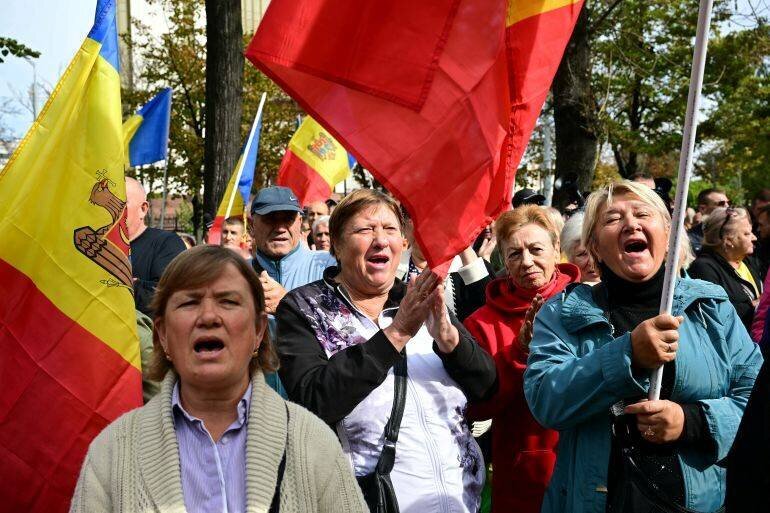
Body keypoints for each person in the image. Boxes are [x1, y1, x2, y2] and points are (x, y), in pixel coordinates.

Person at [523, 180, 762, 513]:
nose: (630, 224)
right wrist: (628, 356)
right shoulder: (563, 313)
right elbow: (545, 400)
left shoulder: (712, 307)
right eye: (612, 218)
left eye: (642, 214)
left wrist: (692, 421)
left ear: (668, 235)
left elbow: (755, 399)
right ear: (594, 247)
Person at [70, 246, 367, 513]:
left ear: (258, 331)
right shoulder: (113, 450)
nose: (209, 317)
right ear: (162, 334)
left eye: (228, 302)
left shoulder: (311, 441)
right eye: (189, 303)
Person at [275, 189, 497, 513]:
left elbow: (487, 388)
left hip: (461, 501)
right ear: (336, 245)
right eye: (365, 230)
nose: (380, 240)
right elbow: (314, 402)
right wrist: (397, 333)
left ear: (403, 242)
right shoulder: (303, 308)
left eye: (390, 229)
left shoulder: (419, 297)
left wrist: (450, 341)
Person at [463, 206, 581, 513]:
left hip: (587, 469)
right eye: (515, 253)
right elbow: (477, 406)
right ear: (503, 260)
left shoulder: (589, 304)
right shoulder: (482, 323)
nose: (527, 261)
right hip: (524, 481)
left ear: (556, 248)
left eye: (536, 249)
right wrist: (520, 352)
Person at [249, 186, 336, 315]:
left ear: (299, 222)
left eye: (288, 219)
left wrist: (289, 305)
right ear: (252, 226)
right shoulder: (237, 273)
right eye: (270, 219)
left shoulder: (329, 266)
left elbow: (349, 325)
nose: (280, 228)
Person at [398, 208, 493, 322]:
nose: (424, 225)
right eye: (415, 216)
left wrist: (463, 246)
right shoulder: (390, 268)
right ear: (403, 224)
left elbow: (491, 312)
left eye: (434, 216)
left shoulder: (471, 265)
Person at [689, 207, 762, 332]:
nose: (754, 237)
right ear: (728, 240)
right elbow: (714, 315)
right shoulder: (704, 268)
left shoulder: (748, 261)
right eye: (747, 234)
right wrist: (756, 306)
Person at [126, 177, 186, 316]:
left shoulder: (166, 244)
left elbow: (169, 297)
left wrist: (122, 285)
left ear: (143, 209)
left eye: (120, 201)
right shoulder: (94, 247)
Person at [561, 211, 600, 284]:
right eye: (582, 254)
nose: (592, 261)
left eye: (597, 250)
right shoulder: (564, 290)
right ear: (570, 260)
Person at [687, 188, 729, 253]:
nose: (727, 206)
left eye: (728, 202)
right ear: (703, 209)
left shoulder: (733, 234)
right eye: (721, 203)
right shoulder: (690, 239)